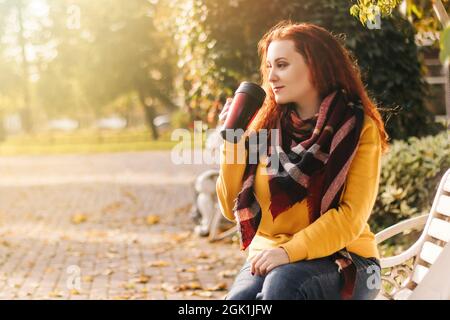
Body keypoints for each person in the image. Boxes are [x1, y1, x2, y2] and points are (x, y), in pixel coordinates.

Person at [215, 21, 390, 300]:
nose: (271, 77)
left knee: (283, 287)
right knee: (239, 302)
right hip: (267, 255)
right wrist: (233, 140)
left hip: (349, 259)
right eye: (269, 66)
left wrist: (288, 252)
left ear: (317, 67)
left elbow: (350, 217)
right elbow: (228, 206)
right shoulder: (264, 127)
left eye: (282, 64)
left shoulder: (356, 128)